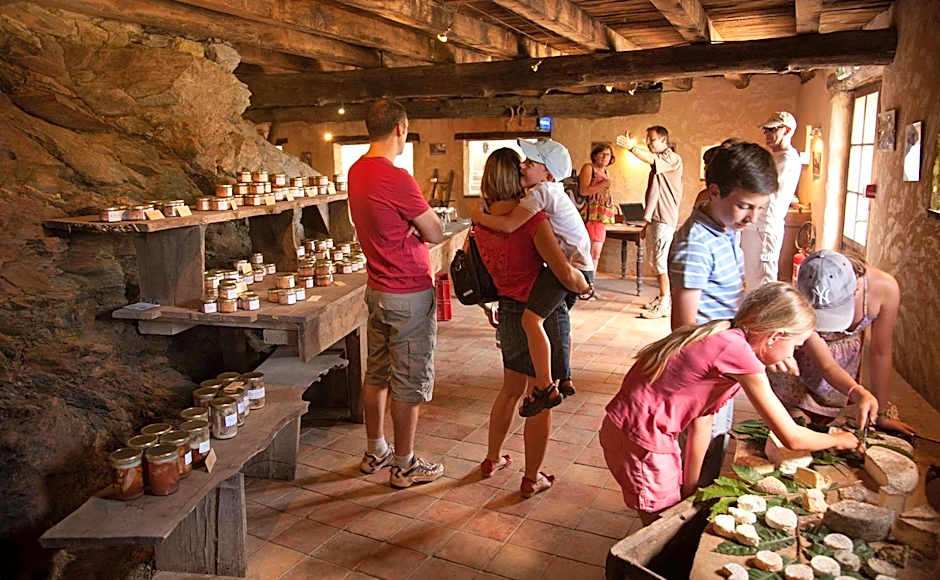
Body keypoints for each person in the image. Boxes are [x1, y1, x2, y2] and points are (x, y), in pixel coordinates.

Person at [601, 283, 864, 525]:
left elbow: (701, 420)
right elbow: (792, 437)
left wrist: (690, 489)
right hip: (642, 443)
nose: (793, 353)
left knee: (672, 517)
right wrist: (840, 440)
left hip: (629, 432)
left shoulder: (729, 334)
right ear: (775, 336)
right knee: (660, 528)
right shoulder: (738, 353)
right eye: (795, 345)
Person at [474, 148, 589, 497]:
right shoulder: (531, 221)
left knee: (509, 390)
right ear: (516, 177)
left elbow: (480, 274)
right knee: (539, 397)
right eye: (522, 167)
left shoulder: (481, 221)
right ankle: (532, 477)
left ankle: (492, 459)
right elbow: (564, 272)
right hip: (542, 315)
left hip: (507, 308)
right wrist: (584, 286)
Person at [347, 98, 446, 489]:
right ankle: (404, 464)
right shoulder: (396, 177)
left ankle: (376, 450)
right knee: (409, 380)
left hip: (378, 288)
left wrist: (411, 225)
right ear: (401, 128)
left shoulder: (357, 171)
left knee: (378, 372)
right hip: (407, 291)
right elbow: (436, 231)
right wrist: (418, 226)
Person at [669, 142, 777, 485]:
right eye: (745, 206)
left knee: (715, 447)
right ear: (714, 192)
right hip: (702, 371)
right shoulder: (696, 243)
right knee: (695, 461)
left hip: (721, 363)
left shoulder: (726, 227)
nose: (753, 217)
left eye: (760, 208)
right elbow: (684, 329)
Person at [769, 250, 914, 434]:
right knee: (797, 429)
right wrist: (857, 391)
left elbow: (881, 352)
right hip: (799, 373)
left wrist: (881, 414)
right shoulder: (806, 290)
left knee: (824, 427)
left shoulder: (885, 288)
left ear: (856, 290)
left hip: (838, 376)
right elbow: (826, 365)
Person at [623, 126, 684, 319]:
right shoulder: (658, 165)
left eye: (652, 139)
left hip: (665, 219)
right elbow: (654, 194)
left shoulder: (672, 158)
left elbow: (651, 159)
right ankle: (662, 297)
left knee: (660, 262)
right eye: (647, 139)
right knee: (654, 261)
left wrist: (632, 148)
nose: (648, 143)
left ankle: (666, 302)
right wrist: (646, 223)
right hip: (655, 219)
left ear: (664, 140)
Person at [741, 112, 802, 288]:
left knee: (762, 282)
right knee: (751, 278)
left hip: (764, 227)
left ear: (787, 130)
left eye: (772, 130)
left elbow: (765, 191)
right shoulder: (775, 158)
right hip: (755, 225)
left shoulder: (788, 160)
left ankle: (764, 316)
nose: (767, 134)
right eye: (765, 130)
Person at [578, 143, 617, 267]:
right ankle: (585, 281)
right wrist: (604, 184)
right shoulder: (589, 168)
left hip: (600, 218)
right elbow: (583, 190)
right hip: (589, 216)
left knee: (596, 253)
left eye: (608, 155)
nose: (605, 157)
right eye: (602, 154)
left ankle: (591, 282)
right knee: (587, 252)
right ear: (595, 155)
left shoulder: (606, 172)